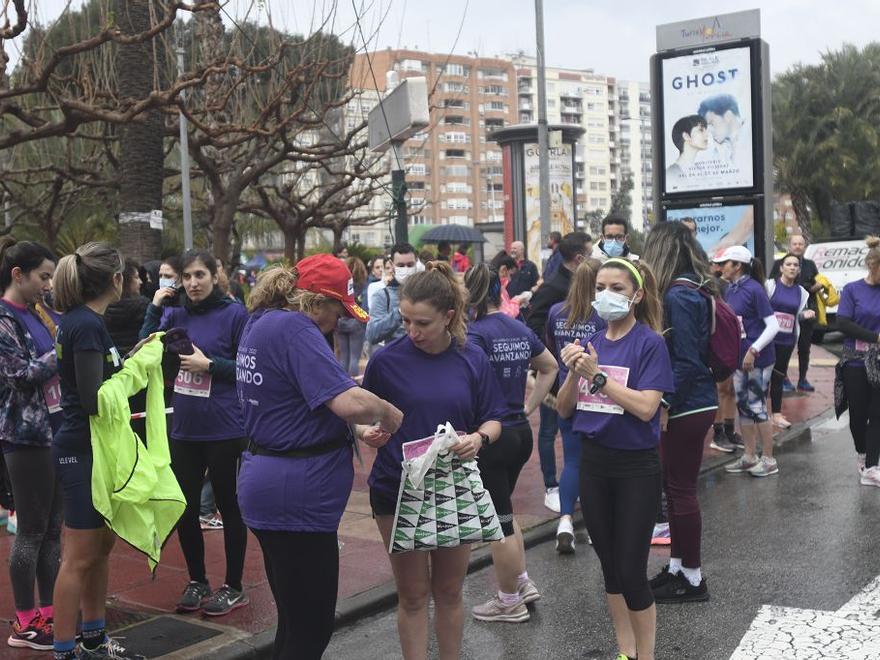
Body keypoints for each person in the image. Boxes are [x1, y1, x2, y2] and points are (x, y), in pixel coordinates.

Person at [236, 258, 402, 659]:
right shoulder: (295, 328)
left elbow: (296, 404)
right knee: (312, 628)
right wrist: (389, 413)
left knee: (293, 622)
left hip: (269, 483)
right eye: (338, 309)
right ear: (314, 301)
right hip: (296, 498)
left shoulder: (261, 321)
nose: (340, 319)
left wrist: (359, 431)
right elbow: (347, 400)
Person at [361, 261, 504, 660]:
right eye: (405, 320)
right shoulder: (386, 361)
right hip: (395, 487)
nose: (412, 331)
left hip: (452, 488)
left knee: (449, 590)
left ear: (449, 317)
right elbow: (360, 416)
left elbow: (495, 418)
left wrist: (478, 438)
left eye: (422, 322)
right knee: (412, 595)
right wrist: (366, 433)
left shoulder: (471, 357)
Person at [556, 257, 673, 660]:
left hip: (635, 467)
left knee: (631, 569)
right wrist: (574, 371)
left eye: (617, 288)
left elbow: (646, 408)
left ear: (637, 295)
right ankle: (625, 652)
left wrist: (600, 378)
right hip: (594, 463)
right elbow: (565, 410)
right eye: (600, 288)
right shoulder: (592, 344)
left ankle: (647, 655)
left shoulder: (649, 343)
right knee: (609, 567)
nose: (606, 295)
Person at [140, 249, 251, 616]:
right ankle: (197, 580)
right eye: (186, 276)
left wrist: (211, 365)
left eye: (200, 275)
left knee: (228, 506)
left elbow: (249, 368)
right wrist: (155, 307)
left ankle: (233, 586)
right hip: (185, 428)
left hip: (223, 427)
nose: (192, 283)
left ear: (216, 274)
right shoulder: (175, 311)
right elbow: (142, 351)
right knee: (185, 509)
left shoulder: (234, 314)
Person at [50, 242, 143, 660]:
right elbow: (91, 398)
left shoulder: (86, 322)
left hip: (95, 448)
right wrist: (131, 377)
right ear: (116, 279)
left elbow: (100, 379)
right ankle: (65, 650)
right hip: (82, 449)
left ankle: (93, 638)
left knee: (101, 549)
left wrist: (133, 362)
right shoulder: (85, 324)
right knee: (80, 557)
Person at [463, 264, 558, 623]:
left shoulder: (473, 336)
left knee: (496, 524)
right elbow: (549, 366)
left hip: (491, 437)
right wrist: (528, 407)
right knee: (504, 511)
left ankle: (508, 602)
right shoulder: (517, 327)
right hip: (520, 432)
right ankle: (521, 582)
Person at [642, 222, 719, 603]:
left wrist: (665, 406)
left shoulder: (679, 296)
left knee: (681, 490)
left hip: (687, 404)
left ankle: (692, 577)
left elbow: (686, 361)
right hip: (691, 401)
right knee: (674, 490)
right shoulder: (689, 289)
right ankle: (677, 568)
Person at [0, 238, 61, 651]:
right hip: (24, 437)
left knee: (53, 531)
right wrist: (63, 350)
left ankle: (51, 612)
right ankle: (24, 622)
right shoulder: (3, 319)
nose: (49, 284)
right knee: (32, 531)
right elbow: (20, 375)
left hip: (53, 433)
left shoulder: (39, 312)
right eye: (43, 276)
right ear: (17, 274)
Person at [525, 232, 590, 512]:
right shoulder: (553, 288)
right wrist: (549, 361)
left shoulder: (584, 284)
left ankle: (574, 487)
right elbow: (534, 326)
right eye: (590, 252)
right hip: (557, 374)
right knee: (550, 430)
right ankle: (551, 485)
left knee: (577, 438)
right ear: (578, 258)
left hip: (581, 375)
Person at [544, 259, 605, 552]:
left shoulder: (557, 312)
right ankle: (596, 526)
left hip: (566, 394)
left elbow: (549, 347)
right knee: (597, 464)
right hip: (597, 395)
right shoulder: (602, 316)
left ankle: (565, 520)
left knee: (571, 461)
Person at [714, 246, 780, 477]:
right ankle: (749, 456)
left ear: (737, 266)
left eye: (725, 264)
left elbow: (773, 326)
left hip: (758, 360)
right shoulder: (730, 290)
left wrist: (753, 349)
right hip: (740, 360)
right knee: (744, 405)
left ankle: (769, 459)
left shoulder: (754, 289)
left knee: (757, 407)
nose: (720, 268)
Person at [836, 236, 880, 486]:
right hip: (855, 362)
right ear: (873, 265)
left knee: (878, 413)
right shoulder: (853, 289)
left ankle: (872, 467)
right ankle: (862, 454)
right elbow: (842, 323)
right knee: (858, 415)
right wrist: (875, 337)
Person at [767, 254, 815, 429]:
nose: (792, 267)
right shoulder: (770, 286)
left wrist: (805, 314)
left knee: (778, 376)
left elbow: (796, 315)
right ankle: (759, 415)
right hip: (767, 340)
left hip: (786, 340)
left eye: (796, 265)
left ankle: (776, 414)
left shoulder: (802, 292)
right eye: (788, 264)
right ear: (781, 268)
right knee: (763, 377)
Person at [769, 233, 821, 392]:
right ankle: (783, 379)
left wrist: (816, 288)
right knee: (783, 348)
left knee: (804, 348)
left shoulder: (810, 264)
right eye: (795, 244)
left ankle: (802, 379)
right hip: (784, 315)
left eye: (801, 244)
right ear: (789, 246)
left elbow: (816, 283)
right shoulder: (779, 263)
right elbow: (774, 286)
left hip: (806, 311)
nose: (798, 246)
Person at [366, 243, 417, 346]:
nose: (406, 269)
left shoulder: (427, 291)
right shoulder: (382, 296)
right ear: (392, 265)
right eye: (401, 265)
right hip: (397, 357)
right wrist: (400, 312)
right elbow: (372, 335)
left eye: (410, 265)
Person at [105, 259, 149, 357]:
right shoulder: (143, 305)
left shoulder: (105, 306)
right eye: (136, 277)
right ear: (125, 280)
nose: (140, 282)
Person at [334, 257, 369, 377]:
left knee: (343, 357)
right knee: (355, 357)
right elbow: (365, 307)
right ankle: (352, 382)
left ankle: (343, 382)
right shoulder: (363, 286)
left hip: (341, 322)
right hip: (356, 322)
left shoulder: (342, 286)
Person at [665, 115, 709, 186]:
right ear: (686, 136)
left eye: (705, 130)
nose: (707, 135)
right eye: (701, 130)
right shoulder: (670, 174)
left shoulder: (701, 172)